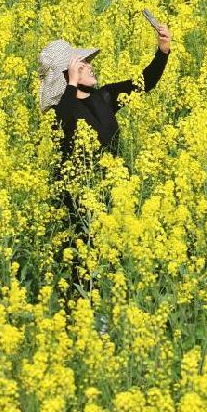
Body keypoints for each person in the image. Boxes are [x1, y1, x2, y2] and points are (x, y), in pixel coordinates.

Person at [37, 23, 172, 304]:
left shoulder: (106, 97)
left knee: (112, 270)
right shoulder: (59, 112)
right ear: (67, 74)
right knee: (82, 274)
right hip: (77, 205)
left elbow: (143, 82)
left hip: (112, 197)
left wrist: (162, 52)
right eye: (82, 64)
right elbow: (68, 122)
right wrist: (71, 84)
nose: (89, 66)